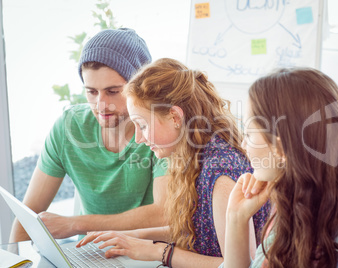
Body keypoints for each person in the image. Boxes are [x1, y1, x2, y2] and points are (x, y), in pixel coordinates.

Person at [76, 58, 270, 267]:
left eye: (142, 125)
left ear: (175, 117)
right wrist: (130, 237)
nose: (138, 139)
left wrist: (158, 251)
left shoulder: (220, 172)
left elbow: (241, 264)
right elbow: (197, 230)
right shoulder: (190, 154)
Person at [221, 67, 338, 268]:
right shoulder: (296, 198)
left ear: (281, 147)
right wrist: (236, 219)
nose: (243, 146)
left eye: (248, 134)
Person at [10, 28, 169, 242]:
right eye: (91, 92)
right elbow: (28, 216)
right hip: (90, 255)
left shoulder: (161, 129)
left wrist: (75, 224)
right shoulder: (69, 127)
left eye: (113, 91)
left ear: (140, 88)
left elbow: (163, 214)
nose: (100, 105)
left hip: (149, 256)